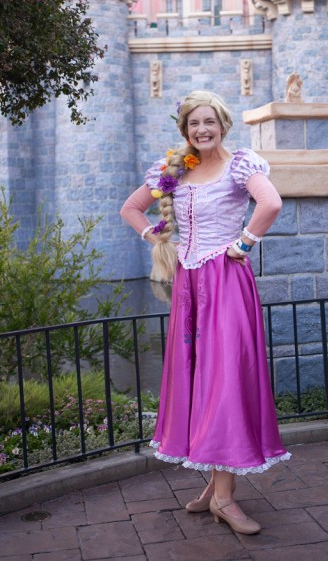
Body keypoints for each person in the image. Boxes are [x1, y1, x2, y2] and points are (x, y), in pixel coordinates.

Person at [120, 90, 288, 536]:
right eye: (194, 123)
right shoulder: (176, 168)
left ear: (223, 123)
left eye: (209, 121)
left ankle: (226, 499)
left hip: (226, 285)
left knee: (224, 381)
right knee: (198, 380)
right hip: (188, 288)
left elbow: (270, 203)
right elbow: (131, 208)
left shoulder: (240, 165)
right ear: (185, 130)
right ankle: (214, 491)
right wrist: (157, 237)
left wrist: (244, 243)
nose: (202, 130)